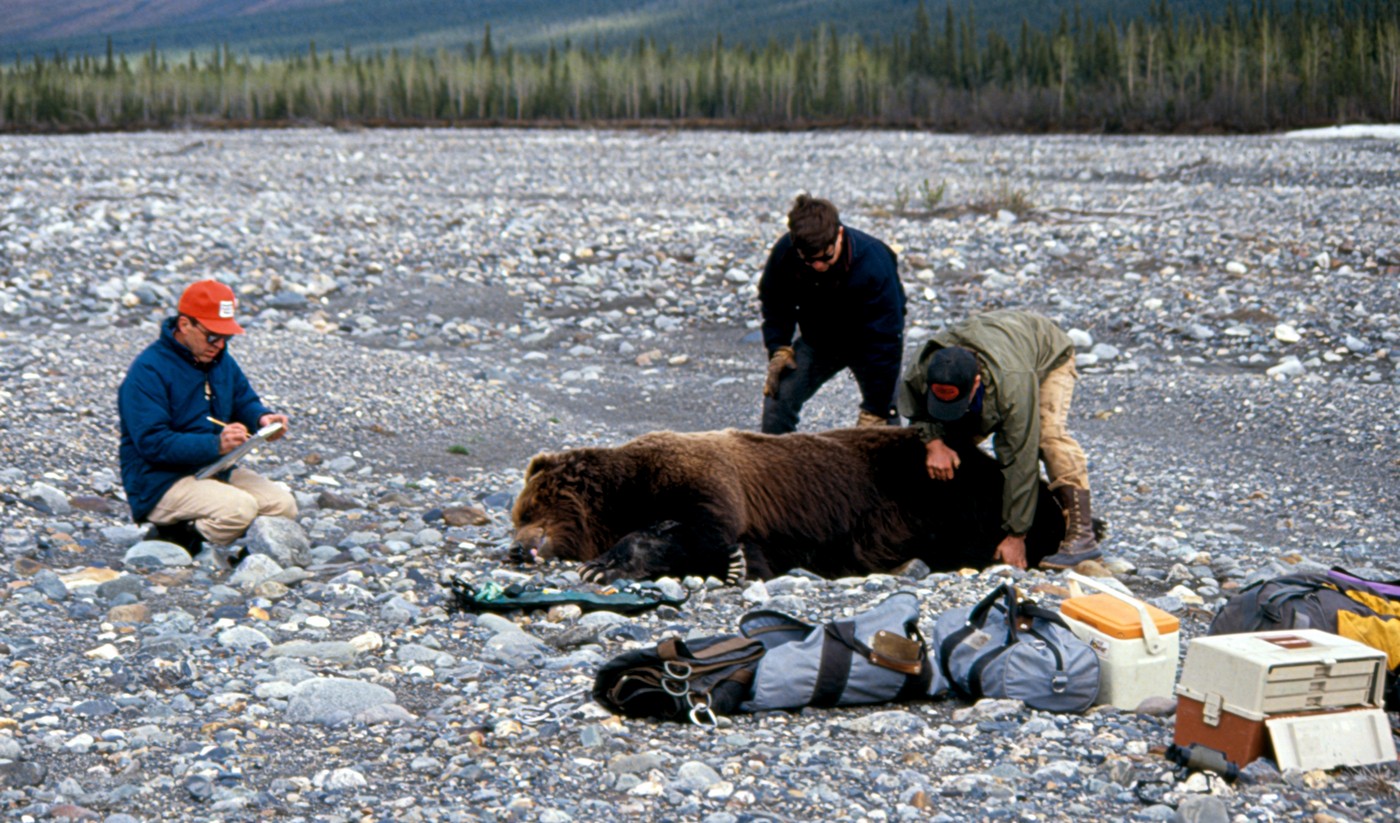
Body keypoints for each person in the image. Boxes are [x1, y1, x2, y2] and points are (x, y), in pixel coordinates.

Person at [896, 310, 1100, 570]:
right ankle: (960, 525)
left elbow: (1020, 458)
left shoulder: (1012, 386)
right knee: (951, 443)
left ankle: (1082, 537)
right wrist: (934, 443)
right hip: (997, 344)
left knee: (1047, 437)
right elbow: (916, 411)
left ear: (976, 383)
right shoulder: (921, 370)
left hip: (1045, 354)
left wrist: (1017, 535)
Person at [118, 279, 296, 556]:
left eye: (227, 336)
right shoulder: (148, 371)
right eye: (213, 335)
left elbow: (244, 402)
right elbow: (152, 442)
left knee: (282, 505)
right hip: (160, 482)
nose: (220, 344)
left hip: (215, 469)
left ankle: (252, 556)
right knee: (240, 509)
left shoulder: (220, 360)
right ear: (185, 325)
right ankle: (176, 537)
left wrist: (263, 420)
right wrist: (215, 445)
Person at [758, 194, 906, 433]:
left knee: (883, 422)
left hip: (869, 345)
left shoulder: (874, 261)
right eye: (809, 260)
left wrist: (876, 408)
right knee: (778, 400)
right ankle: (777, 465)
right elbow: (775, 302)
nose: (818, 266)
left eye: (826, 257)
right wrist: (779, 347)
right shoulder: (786, 252)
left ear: (839, 234)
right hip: (819, 342)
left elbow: (887, 337)